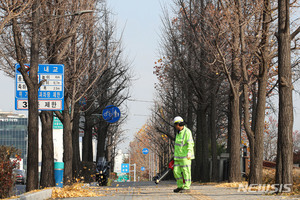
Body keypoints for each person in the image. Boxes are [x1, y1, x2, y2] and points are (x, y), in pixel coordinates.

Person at [172, 116, 194, 193]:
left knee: (186, 172)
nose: (175, 127)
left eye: (175, 125)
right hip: (178, 157)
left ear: (178, 124)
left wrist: (189, 152)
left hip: (185, 157)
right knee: (176, 171)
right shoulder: (178, 133)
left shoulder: (187, 132)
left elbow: (190, 143)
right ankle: (180, 186)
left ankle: (187, 187)